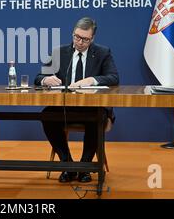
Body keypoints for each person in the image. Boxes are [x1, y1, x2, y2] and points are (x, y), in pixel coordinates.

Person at [35, 17, 119, 183]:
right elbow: (38, 77)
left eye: (85, 39)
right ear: (73, 34)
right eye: (76, 37)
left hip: (91, 106)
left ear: (92, 38)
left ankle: (85, 166)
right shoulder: (59, 52)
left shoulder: (103, 52)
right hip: (65, 107)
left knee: (98, 117)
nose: (79, 42)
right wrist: (46, 80)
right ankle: (67, 164)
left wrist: (92, 80)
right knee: (46, 116)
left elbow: (114, 77)